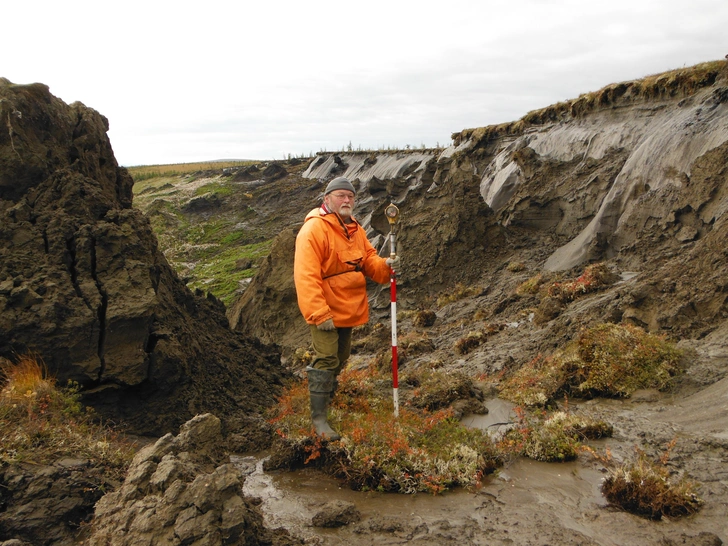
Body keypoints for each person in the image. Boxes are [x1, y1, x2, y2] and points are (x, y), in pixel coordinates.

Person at [293, 176, 400, 440]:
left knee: (341, 357)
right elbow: (306, 275)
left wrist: (385, 266)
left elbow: (368, 261)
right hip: (325, 308)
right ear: (327, 199)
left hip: (348, 306)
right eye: (340, 195)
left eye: (350, 196)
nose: (347, 200)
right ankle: (318, 420)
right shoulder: (314, 230)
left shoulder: (355, 229)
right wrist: (319, 313)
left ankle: (327, 400)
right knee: (327, 357)